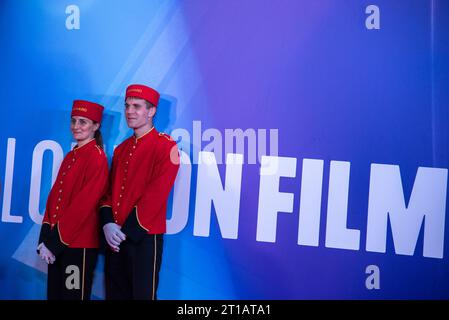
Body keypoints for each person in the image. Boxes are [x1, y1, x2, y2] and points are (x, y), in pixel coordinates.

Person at [100, 84, 180, 300]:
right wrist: (108, 223)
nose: (129, 111)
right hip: (114, 237)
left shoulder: (166, 147)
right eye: (127, 106)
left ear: (151, 111)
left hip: (143, 237)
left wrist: (125, 231)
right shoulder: (121, 149)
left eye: (136, 106)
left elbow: (157, 195)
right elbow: (108, 192)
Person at [37, 100, 109, 300]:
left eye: (83, 122)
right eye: (74, 121)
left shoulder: (97, 157)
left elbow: (83, 205)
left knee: (72, 297)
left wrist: (54, 241)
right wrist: (45, 236)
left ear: (95, 126)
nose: (76, 127)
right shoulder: (71, 156)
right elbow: (55, 198)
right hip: (58, 243)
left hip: (79, 246)